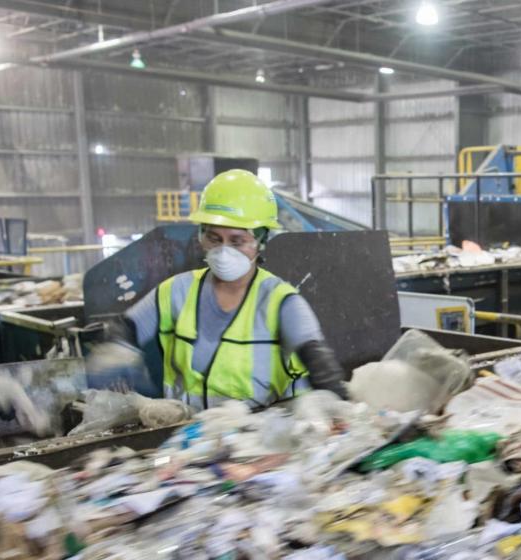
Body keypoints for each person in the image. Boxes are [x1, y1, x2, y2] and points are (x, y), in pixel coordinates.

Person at [91, 169, 347, 408]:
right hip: (190, 437)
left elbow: (322, 370)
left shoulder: (281, 303)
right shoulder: (177, 291)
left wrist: (336, 411)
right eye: (214, 238)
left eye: (238, 240)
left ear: (261, 242)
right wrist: (117, 349)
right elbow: (126, 327)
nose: (224, 251)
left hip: (262, 442)